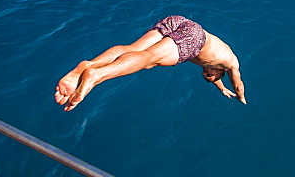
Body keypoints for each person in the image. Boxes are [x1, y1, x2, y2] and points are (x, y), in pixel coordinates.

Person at [55, 15, 245, 111]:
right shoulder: (231, 63)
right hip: (194, 37)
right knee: (147, 59)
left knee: (133, 49)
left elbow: (215, 77)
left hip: (180, 22)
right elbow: (238, 82)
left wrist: (221, 89)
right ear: (219, 71)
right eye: (210, 75)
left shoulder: (216, 60)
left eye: (205, 76)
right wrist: (240, 96)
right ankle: (96, 75)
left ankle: (89, 65)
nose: (205, 74)